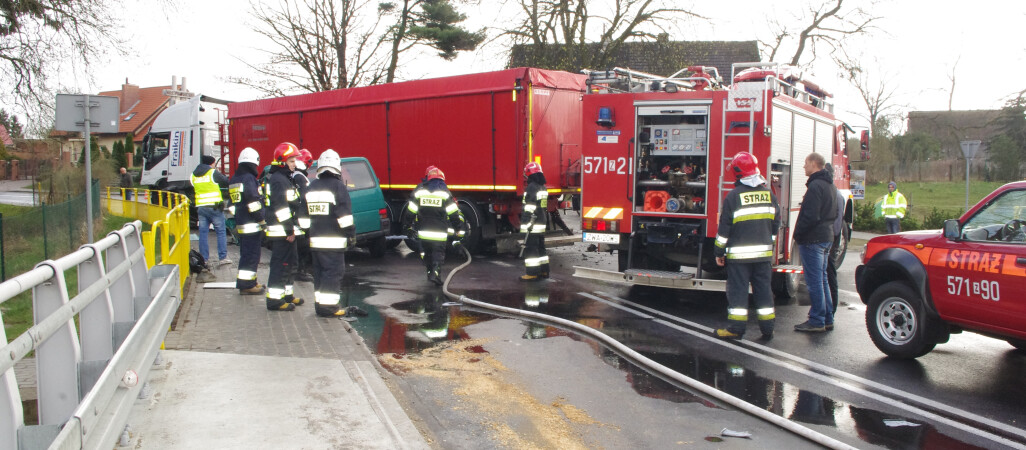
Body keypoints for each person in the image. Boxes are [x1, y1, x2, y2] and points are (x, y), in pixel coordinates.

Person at [712, 152, 780, 340]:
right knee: (764, 292)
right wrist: (770, 243)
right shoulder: (769, 194)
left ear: (737, 172)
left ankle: (736, 329)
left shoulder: (733, 197)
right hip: (763, 257)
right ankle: (768, 328)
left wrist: (719, 251)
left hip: (739, 259)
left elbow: (724, 230)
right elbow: (776, 225)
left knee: (738, 293)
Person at [304, 149, 355, 317]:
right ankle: (329, 308)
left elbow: (303, 216)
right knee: (332, 273)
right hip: (333, 242)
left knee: (319, 273)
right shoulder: (338, 187)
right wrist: (351, 234)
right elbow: (344, 216)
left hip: (315, 241)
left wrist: (308, 233)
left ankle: (320, 306)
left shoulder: (311, 187)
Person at [793, 153, 838, 332]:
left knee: (815, 282)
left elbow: (810, 216)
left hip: (813, 240)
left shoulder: (815, 186)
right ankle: (827, 317)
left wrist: (798, 234)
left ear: (813, 163)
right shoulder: (830, 186)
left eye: (805, 163)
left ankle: (817, 319)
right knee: (823, 279)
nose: (804, 167)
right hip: (826, 238)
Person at [263, 142, 305, 311]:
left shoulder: (284, 178)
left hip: (286, 228)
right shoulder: (279, 180)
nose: (295, 164)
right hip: (281, 230)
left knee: (291, 262)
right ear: (282, 162)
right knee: (281, 265)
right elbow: (281, 207)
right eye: (292, 161)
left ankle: (286, 295)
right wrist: (289, 229)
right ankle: (275, 300)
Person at [406, 166, 465, 286]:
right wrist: (458, 228)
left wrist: (408, 226)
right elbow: (453, 213)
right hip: (439, 232)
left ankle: (429, 273)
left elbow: (410, 211)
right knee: (438, 253)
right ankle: (436, 274)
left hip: (423, 231)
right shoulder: (444, 193)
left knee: (427, 253)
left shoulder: (420, 192)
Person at [228, 147, 266, 295]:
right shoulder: (249, 179)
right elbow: (253, 201)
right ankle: (247, 285)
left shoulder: (234, 179)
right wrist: (261, 219)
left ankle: (250, 281)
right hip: (251, 224)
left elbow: (233, 204)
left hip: (242, 223)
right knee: (252, 256)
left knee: (247, 254)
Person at [190, 154, 231, 266]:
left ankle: (204, 259)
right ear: (211, 163)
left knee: (203, 233)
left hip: (201, 208)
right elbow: (226, 181)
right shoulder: (212, 173)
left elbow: (194, 186)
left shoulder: (193, 175)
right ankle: (222, 257)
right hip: (214, 208)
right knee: (221, 232)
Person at [520, 162, 549, 281]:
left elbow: (529, 207)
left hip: (532, 224)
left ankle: (532, 273)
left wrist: (526, 224)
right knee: (541, 248)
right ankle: (544, 271)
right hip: (541, 222)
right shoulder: (543, 187)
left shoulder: (532, 187)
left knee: (531, 249)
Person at [292, 148, 314, 282]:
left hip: (296, 216)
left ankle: (299, 271)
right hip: (302, 218)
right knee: (303, 247)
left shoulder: (294, 175)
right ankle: (300, 272)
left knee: (299, 247)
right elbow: (306, 197)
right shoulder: (300, 177)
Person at [826, 163, 845, 313]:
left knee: (829, 273)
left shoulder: (836, 195)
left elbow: (837, 224)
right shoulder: (836, 193)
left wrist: (830, 240)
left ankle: (832, 307)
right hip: (832, 238)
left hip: (831, 238)